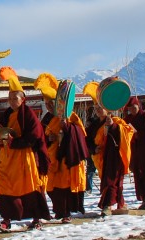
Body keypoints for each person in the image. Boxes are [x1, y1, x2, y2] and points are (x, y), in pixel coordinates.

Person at [0, 66, 52, 232]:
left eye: (15, 98)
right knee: (5, 188)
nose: (12, 101)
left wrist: (14, 142)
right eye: (10, 98)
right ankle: (6, 219)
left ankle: (36, 218)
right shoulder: (6, 115)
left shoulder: (28, 115)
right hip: (8, 159)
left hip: (24, 157)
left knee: (30, 187)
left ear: (22, 99)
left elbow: (34, 137)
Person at [35, 74, 89, 223]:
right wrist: (49, 139)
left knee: (65, 186)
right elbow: (41, 137)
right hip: (51, 158)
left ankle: (67, 213)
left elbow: (80, 132)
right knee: (52, 188)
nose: (49, 106)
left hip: (67, 157)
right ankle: (59, 211)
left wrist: (67, 128)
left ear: (58, 103)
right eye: (46, 103)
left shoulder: (69, 116)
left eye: (51, 103)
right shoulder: (46, 119)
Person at [83, 80, 134, 215]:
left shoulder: (116, 121)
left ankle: (106, 205)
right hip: (100, 157)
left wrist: (113, 126)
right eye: (96, 108)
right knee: (108, 181)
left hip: (114, 157)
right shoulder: (93, 124)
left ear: (107, 108)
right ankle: (119, 203)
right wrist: (94, 149)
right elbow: (87, 140)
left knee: (111, 181)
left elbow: (126, 133)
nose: (98, 110)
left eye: (100, 107)